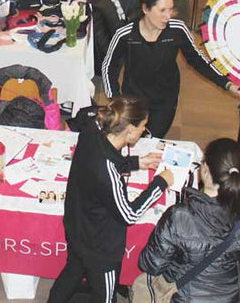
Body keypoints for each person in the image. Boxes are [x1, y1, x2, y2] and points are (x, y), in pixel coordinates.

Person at [48, 97, 172, 303]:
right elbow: (128, 214)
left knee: (71, 273)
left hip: (77, 228)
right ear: (130, 130)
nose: (144, 130)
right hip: (100, 251)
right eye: (142, 126)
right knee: (105, 297)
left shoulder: (92, 131)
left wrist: (135, 162)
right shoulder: (109, 171)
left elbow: (100, 162)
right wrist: (160, 183)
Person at [102, 0, 240, 137]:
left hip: (164, 101)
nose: (168, 16)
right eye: (162, 10)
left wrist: (227, 83)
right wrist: (116, 100)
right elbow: (109, 67)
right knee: (131, 141)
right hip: (133, 100)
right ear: (145, 9)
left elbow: (198, 60)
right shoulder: (125, 34)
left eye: (170, 10)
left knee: (152, 140)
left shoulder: (177, 29)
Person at [139, 138, 240, 302]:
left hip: (185, 295)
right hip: (229, 295)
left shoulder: (179, 216)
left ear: (205, 169)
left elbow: (151, 264)